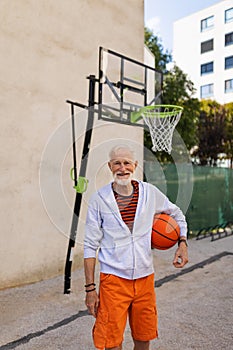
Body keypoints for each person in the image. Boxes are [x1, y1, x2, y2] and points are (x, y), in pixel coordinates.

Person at [84, 144, 188, 350]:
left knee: (143, 337)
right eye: (117, 163)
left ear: (135, 165)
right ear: (109, 166)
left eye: (127, 163)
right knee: (111, 342)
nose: (122, 168)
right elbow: (89, 245)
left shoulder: (150, 193)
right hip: (113, 280)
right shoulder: (99, 199)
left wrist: (182, 242)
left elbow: (176, 214)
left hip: (145, 278)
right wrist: (90, 289)